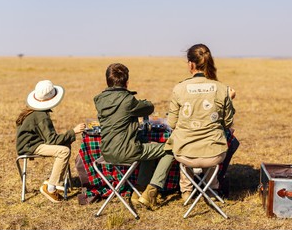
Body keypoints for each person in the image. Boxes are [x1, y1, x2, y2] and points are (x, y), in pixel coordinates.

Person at [93, 63, 174, 210]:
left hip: (107, 152)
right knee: (171, 149)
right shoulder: (128, 100)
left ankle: (138, 191)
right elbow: (149, 107)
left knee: (148, 150)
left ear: (107, 81)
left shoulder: (99, 99)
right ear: (127, 82)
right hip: (127, 151)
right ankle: (151, 191)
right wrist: (141, 101)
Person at [165, 43, 236, 202]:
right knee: (215, 142)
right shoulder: (222, 88)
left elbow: (171, 123)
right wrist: (229, 101)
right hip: (214, 154)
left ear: (191, 64)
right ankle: (211, 188)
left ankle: (186, 191)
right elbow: (228, 123)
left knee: (184, 142)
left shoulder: (179, 88)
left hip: (185, 153)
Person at [16, 80, 86, 203]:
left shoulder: (33, 111)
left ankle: (55, 183)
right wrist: (73, 132)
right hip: (31, 146)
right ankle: (51, 187)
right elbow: (52, 139)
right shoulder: (41, 115)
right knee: (63, 151)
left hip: (31, 143)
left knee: (65, 147)